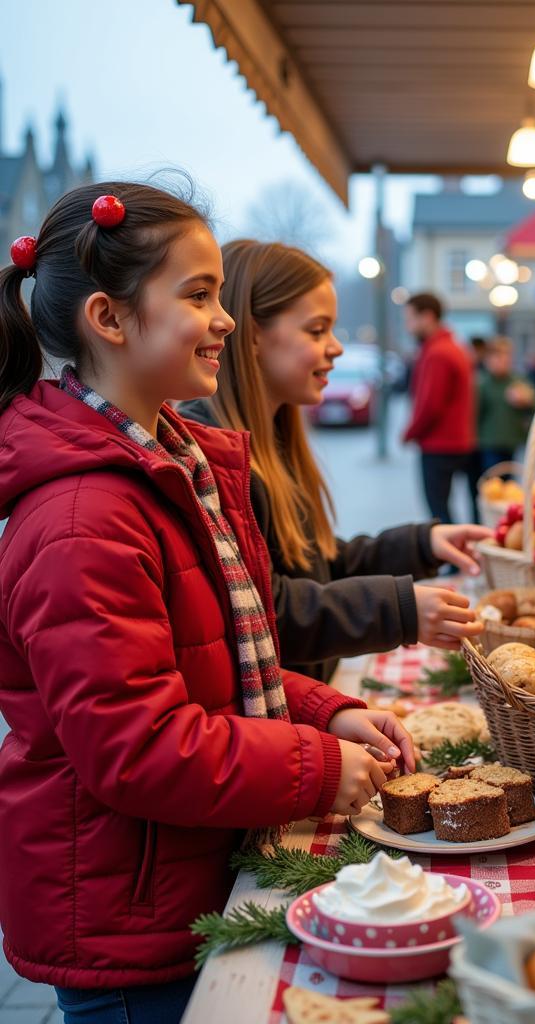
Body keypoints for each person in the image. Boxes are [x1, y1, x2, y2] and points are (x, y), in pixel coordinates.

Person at [0, 182, 414, 1023]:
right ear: (110, 321)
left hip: (185, 879)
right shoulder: (84, 517)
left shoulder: (172, 463)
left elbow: (221, 659)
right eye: (198, 295)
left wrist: (324, 709)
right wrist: (317, 767)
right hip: (129, 930)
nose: (226, 320)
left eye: (219, 293)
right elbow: (137, 745)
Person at [180, 240, 488, 682]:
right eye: (316, 330)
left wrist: (421, 543)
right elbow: (270, 610)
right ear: (251, 336)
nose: (336, 348)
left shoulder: (274, 439)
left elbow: (320, 564)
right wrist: (397, 608)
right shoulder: (213, 454)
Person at [402, 292, 479, 523]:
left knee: (439, 514)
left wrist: (409, 433)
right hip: (459, 441)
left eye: (411, 319)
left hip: (440, 444)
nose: (408, 327)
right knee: (456, 508)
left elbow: (430, 404)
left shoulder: (437, 353)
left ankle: (456, 560)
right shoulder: (454, 347)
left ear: (427, 317)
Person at [476, 336, 535, 472]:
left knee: (510, 479)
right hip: (489, 442)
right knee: (492, 479)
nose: (503, 361)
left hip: (513, 440)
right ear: (488, 359)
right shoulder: (482, 383)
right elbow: (475, 414)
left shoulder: (518, 380)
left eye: (507, 356)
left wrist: (527, 400)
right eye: (498, 356)